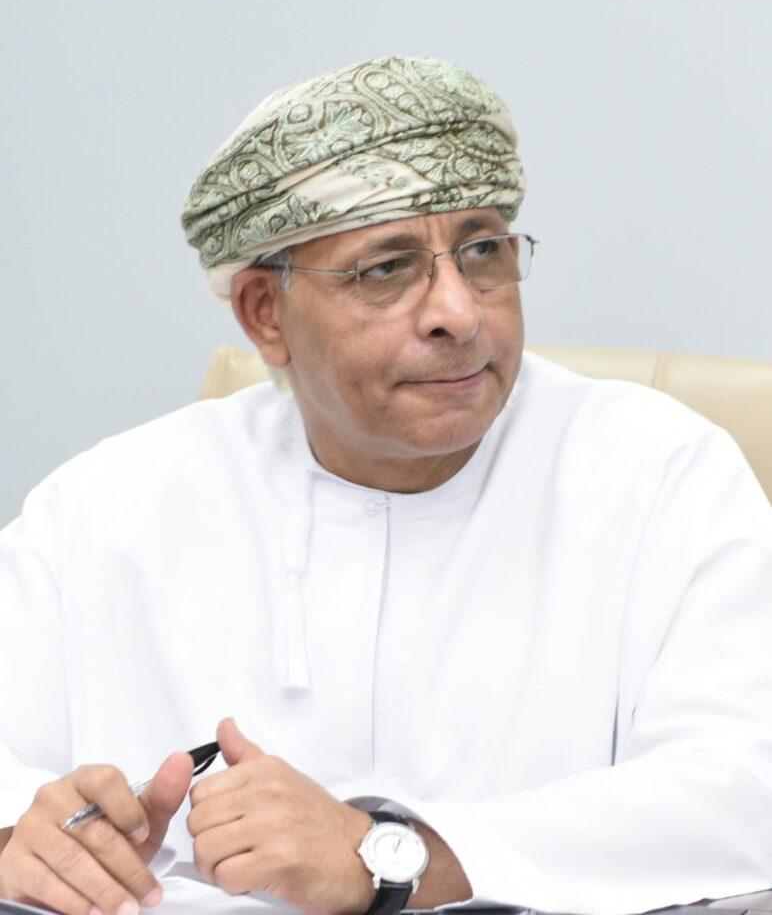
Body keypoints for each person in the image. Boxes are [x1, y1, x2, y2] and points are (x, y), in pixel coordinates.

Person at [1, 55, 771, 915]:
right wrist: (20, 839)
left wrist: (389, 857)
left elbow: (744, 793)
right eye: (385, 269)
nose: (460, 313)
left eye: (483, 251)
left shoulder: (661, 477)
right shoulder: (106, 507)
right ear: (264, 314)